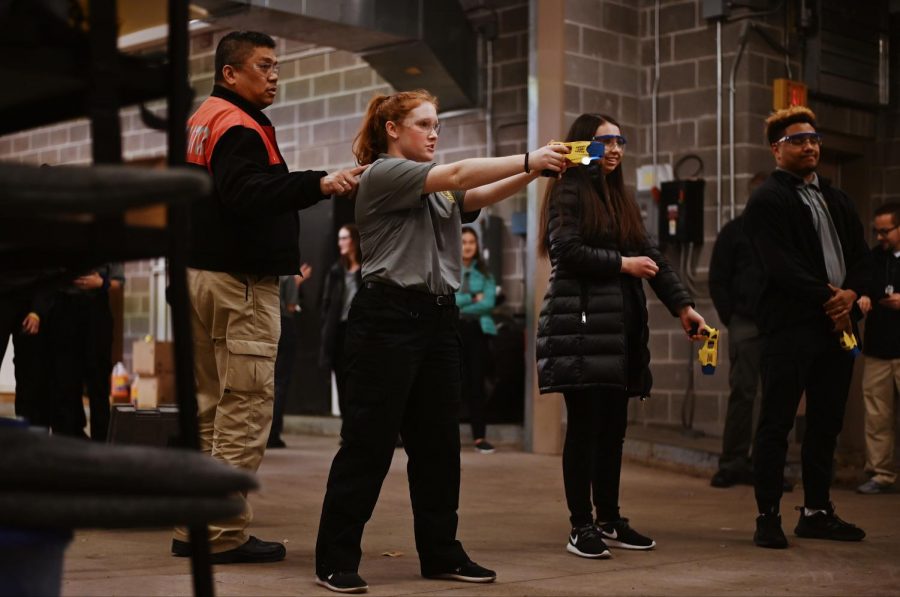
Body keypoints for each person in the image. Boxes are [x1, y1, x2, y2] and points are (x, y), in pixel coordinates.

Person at [314, 89, 569, 593]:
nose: (435, 134)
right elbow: (457, 176)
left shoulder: (431, 186)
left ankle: (441, 553)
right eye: (425, 124)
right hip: (388, 317)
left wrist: (534, 172)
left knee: (437, 447)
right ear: (393, 128)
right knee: (369, 441)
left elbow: (472, 196)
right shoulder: (383, 173)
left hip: (437, 320)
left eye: (438, 126)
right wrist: (527, 156)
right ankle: (335, 557)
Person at [176, 30, 365, 565]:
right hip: (238, 286)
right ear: (230, 73)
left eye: (278, 67)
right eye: (264, 66)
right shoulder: (238, 125)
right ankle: (219, 534)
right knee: (245, 409)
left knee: (210, 409)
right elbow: (246, 195)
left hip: (204, 278)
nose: (275, 76)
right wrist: (320, 185)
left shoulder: (204, 117)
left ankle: (192, 526)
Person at [536, 113, 706, 560]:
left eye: (619, 142)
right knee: (585, 428)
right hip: (580, 325)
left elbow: (654, 258)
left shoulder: (620, 198)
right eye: (603, 141)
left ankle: (609, 518)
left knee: (612, 430)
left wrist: (684, 307)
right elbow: (566, 251)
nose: (614, 149)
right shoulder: (568, 191)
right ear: (581, 146)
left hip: (619, 329)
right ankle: (581, 526)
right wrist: (621, 264)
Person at [743, 105, 869, 549]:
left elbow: (862, 257)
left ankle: (817, 511)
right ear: (776, 149)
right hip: (790, 328)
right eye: (798, 140)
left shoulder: (837, 198)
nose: (810, 145)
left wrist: (850, 296)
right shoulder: (767, 200)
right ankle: (768, 515)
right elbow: (780, 266)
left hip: (836, 328)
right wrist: (829, 298)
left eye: (814, 138)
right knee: (776, 423)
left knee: (825, 424)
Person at [708, 174, 768, 488]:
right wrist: (731, 317)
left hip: (780, 325)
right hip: (745, 322)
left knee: (774, 398)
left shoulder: (786, 234)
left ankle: (767, 466)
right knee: (743, 392)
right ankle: (733, 463)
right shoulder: (734, 232)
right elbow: (717, 279)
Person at [46, 264, 123, 441]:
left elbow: (119, 283)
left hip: (96, 306)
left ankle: (101, 440)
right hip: (64, 304)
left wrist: (100, 283)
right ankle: (68, 438)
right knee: (64, 379)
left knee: (98, 380)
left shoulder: (108, 240)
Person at [855, 202, 900, 494]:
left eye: (886, 231)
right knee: (877, 416)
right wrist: (863, 298)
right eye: (877, 231)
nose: (881, 236)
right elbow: (862, 286)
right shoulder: (873, 258)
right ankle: (881, 473)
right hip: (878, 350)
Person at [455, 226, 497, 454]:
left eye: (471, 242)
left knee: (476, 385)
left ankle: (479, 437)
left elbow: (489, 303)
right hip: (454, 330)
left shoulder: (486, 273)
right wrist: (472, 297)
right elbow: (450, 300)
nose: (468, 246)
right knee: (453, 385)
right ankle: (448, 437)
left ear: (477, 246)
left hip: (478, 332)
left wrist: (463, 302)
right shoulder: (449, 269)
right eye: (463, 242)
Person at [319, 224, 362, 419]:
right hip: (340, 332)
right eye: (339, 238)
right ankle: (348, 429)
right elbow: (327, 305)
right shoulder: (336, 271)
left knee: (362, 381)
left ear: (354, 240)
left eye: (345, 238)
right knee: (343, 380)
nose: (341, 243)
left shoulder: (367, 269)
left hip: (361, 331)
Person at [268, 264, 310, 449]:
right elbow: (291, 306)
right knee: (280, 382)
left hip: (265, 325)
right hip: (284, 326)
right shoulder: (289, 274)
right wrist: (297, 284)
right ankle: (273, 434)